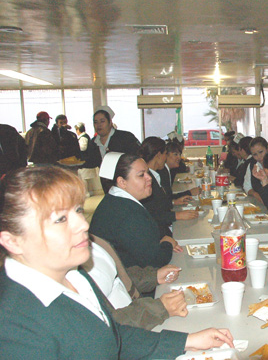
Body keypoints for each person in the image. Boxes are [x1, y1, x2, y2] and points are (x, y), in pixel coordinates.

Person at [0, 166, 234, 359]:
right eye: (61, 219)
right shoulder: (13, 327)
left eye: (78, 210)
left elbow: (110, 335)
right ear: (13, 241)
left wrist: (187, 341)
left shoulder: (72, 275)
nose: (82, 224)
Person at [89, 153, 179, 268]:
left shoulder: (114, 200)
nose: (149, 177)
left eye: (148, 172)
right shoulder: (127, 214)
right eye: (141, 175)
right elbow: (155, 260)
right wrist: (168, 243)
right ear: (122, 182)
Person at [83, 236, 187, 330]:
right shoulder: (70, 280)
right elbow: (107, 328)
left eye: (78, 213)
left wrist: (153, 276)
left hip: (143, 319)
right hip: (133, 333)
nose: (83, 224)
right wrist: (158, 308)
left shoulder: (95, 243)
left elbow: (118, 277)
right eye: (65, 218)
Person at [137, 137, 197, 239]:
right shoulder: (146, 179)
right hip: (157, 234)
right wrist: (177, 215)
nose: (165, 158)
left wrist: (173, 202)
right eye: (165, 154)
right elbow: (149, 214)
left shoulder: (155, 175)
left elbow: (158, 204)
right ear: (158, 155)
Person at [243, 136, 268, 203]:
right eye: (255, 154)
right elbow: (247, 186)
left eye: (261, 152)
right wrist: (255, 194)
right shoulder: (252, 165)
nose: (259, 157)